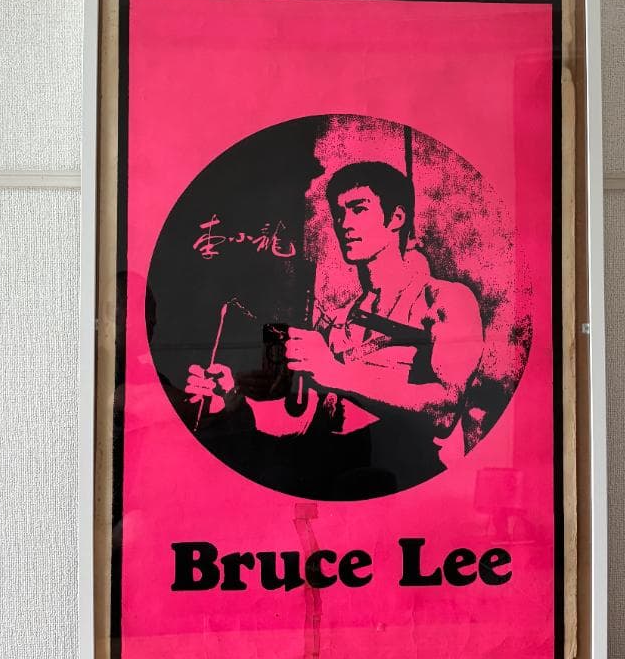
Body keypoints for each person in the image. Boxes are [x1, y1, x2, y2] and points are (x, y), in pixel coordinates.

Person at [185, 161, 483, 499]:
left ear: (396, 217)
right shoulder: (338, 321)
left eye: (359, 209)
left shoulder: (445, 299)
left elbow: (444, 410)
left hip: (419, 488)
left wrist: (338, 373)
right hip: (346, 486)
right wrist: (231, 399)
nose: (345, 224)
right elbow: (306, 424)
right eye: (339, 213)